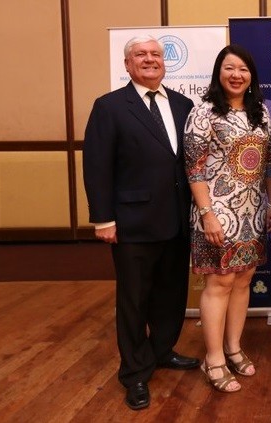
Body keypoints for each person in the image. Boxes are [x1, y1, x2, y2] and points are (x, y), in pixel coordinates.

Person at [83, 35, 200, 411]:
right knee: (134, 300)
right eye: (140, 55)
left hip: (177, 220)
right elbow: (97, 166)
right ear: (127, 64)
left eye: (155, 54)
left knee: (171, 293)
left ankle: (162, 350)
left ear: (164, 62)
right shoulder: (109, 106)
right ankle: (134, 372)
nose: (150, 60)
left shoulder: (183, 104)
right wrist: (103, 219)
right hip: (132, 222)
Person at [183, 44, 271, 393]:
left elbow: (269, 162)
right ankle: (213, 359)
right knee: (220, 283)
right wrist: (207, 214)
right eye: (229, 68)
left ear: (251, 75)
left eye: (243, 69)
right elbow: (193, 169)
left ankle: (234, 348)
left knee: (243, 280)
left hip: (252, 211)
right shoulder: (203, 112)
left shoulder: (260, 112)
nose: (236, 75)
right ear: (218, 73)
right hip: (217, 212)